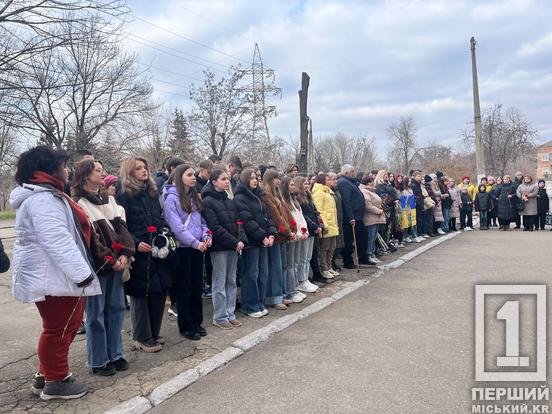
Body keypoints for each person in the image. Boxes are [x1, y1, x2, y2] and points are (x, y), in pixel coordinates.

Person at [10, 146, 102, 400]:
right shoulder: (42, 200)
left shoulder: (49, 195)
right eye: (62, 166)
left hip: (55, 274)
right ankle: (56, 381)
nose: (67, 170)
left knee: (66, 325)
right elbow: (57, 240)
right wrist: (82, 274)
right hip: (52, 276)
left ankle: (46, 374)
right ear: (48, 169)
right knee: (58, 328)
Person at [72, 160, 135, 375]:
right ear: (85, 175)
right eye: (97, 170)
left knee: (116, 310)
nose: (102, 174)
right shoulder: (79, 202)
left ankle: (115, 354)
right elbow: (91, 239)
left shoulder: (110, 200)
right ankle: (99, 360)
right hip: (99, 267)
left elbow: (122, 229)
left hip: (117, 264)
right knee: (96, 315)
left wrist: (126, 253)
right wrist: (109, 259)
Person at [117, 157, 170, 353]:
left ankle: (153, 332)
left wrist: (163, 236)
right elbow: (121, 226)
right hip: (138, 252)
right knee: (140, 293)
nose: (144, 171)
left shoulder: (151, 192)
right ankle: (141, 336)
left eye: (145, 167)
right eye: (138, 168)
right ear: (130, 172)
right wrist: (136, 244)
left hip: (157, 249)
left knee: (158, 290)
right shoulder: (124, 194)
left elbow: (159, 218)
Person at [163, 164, 211, 340]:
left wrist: (206, 235)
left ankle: (197, 321)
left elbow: (201, 222)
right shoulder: (171, 199)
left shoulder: (194, 198)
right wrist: (194, 242)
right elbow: (177, 228)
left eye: (193, 174)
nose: (193, 177)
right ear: (179, 177)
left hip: (199, 247)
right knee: (185, 288)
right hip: (184, 249)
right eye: (189, 174)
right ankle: (186, 325)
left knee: (197, 285)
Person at [201, 168, 247, 329]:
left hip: (234, 246)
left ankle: (230, 313)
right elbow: (215, 227)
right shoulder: (207, 201)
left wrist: (240, 239)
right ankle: (220, 316)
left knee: (231, 281)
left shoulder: (228, 200)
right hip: (220, 247)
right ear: (214, 182)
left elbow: (239, 222)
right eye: (223, 179)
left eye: (227, 179)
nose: (227, 182)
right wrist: (234, 242)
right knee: (219, 282)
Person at [234, 168, 277, 318]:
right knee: (251, 274)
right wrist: (262, 237)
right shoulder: (240, 198)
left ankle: (260, 302)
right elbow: (247, 221)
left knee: (263, 273)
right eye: (251, 178)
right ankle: (249, 306)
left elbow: (268, 216)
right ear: (245, 179)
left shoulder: (259, 196)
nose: (255, 180)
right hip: (252, 242)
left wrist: (271, 233)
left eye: (256, 178)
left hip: (264, 240)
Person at [262, 169, 294, 309]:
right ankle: (274, 298)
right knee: (274, 268)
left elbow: (287, 212)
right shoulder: (267, 195)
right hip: (276, 235)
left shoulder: (278, 195)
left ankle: (280, 294)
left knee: (280, 267)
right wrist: (287, 230)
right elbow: (276, 216)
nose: (278, 181)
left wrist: (293, 227)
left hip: (283, 236)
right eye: (275, 178)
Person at [281, 176, 308, 303]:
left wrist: (304, 230)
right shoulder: (284, 202)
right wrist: (295, 232)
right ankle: (289, 291)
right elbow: (289, 220)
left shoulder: (294, 201)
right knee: (289, 265)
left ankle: (295, 287)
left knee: (295, 262)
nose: (293, 187)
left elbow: (300, 217)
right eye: (291, 185)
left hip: (299, 236)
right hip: (291, 237)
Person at [293, 175, 322, 293]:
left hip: (313, 229)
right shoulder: (299, 199)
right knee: (302, 257)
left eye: (308, 183)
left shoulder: (308, 196)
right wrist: (313, 226)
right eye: (305, 183)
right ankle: (301, 280)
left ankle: (304, 279)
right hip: (307, 229)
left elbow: (314, 212)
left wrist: (319, 224)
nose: (308, 185)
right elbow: (303, 216)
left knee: (307, 257)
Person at [337, 165, 369, 268]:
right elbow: (346, 201)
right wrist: (351, 217)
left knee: (362, 237)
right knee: (349, 240)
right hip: (351, 217)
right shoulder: (343, 182)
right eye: (352, 171)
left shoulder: (351, 182)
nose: (354, 173)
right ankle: (348, 261)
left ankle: (363, 257)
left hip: (358, 215)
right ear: (346, 173)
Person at [312, 173, 339, 278]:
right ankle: (324, 268)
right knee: (325, 247)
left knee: (332, 246)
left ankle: (329, 266)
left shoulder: (328, 192)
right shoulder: (319, 193)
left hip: (333, 223)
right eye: (327, 179)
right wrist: (324, 225)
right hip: (326, 225)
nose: (330, 181)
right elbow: (319, 210)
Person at [359, 175, 385, 264]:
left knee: (374, 237)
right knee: (371, 237)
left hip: (376, 217)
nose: (373, 183)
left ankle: (372, 253)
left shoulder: (371, 190)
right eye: (371, 181)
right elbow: (368, 205)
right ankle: (369, 254)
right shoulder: (365, 191)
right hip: (370, 217)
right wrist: (378, 211)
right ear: (367, 183)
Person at [327, 172, 344, 272]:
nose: (335, 181)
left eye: (335, 179)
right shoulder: (328, 191)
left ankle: (332, 262)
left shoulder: (336, 190)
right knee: (332, 245)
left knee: (339, 244)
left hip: (339, 218)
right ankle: (330, 264)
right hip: (332, 220)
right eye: (333, 179)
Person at [400, 177, 423, 243]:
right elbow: (404, 202)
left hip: (412, 208)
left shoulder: (411, 189)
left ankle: (414, 236)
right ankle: (406, 236)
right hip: (406, 209)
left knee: (413, 222)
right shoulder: (404, 190)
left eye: (410, 181)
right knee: (406, 223)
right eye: (409, 181)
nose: (410, 182)